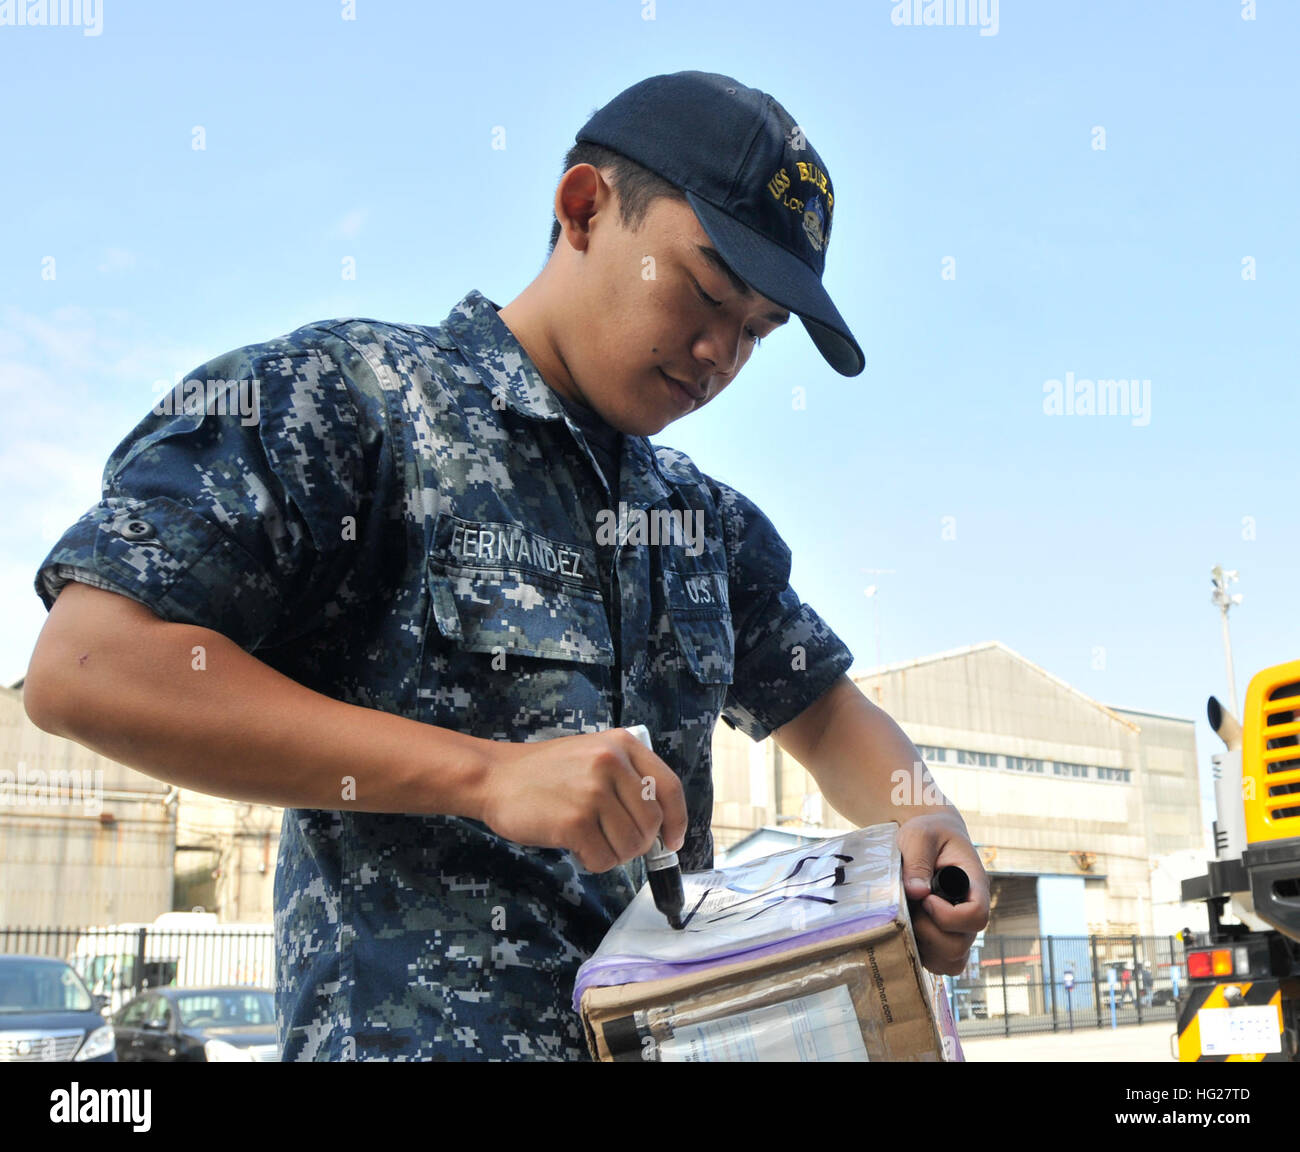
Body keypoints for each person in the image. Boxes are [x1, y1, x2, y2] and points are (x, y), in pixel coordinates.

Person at [23, 70, 990, 1061]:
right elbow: (90, 667)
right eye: (703, 291)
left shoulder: (702, 522)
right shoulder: (353, 404)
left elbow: (823, 711)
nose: (718, 354)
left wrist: (925, 824)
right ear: (582, 208)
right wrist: (486, 777)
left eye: (755, 332)